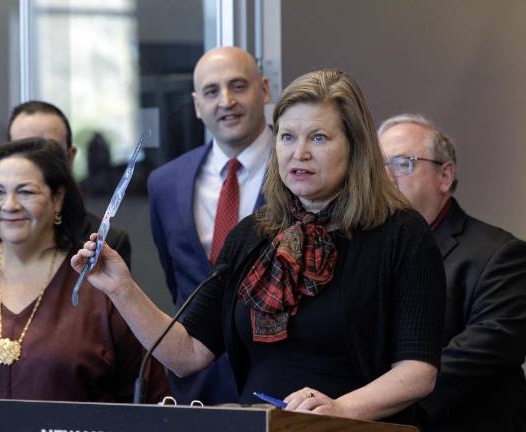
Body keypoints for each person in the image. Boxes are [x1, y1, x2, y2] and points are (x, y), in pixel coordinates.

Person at [73, 68, 446, 425]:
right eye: (287, 137)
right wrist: (121, 287)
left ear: (355, 147)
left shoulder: (401, 233)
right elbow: (186, 354)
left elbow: (418, 371)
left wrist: (340, 410)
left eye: (318, 138)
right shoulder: (254, 234)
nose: (298, 153)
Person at [0, 138, 167, 432]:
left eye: (26, 192)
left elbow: (148, 394)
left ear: (58, 199)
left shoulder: (94, 282)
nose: (9, 205)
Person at [379, 114, 526, 431]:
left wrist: (381, 397)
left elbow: (482, 354)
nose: (386, 177)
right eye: (379, 167)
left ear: (445, 176)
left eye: (403, 163)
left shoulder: (500, 255)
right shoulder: (367, 252)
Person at [147, 46, 272, 404]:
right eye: (212, 91)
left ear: (264, 90)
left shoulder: (300, 170)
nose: (226, 101)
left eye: (238, 86)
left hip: (276, 384)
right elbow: (178, 282)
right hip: (196, 387)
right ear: (197, 104)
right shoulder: (164, 183)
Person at [0, 101, 131, 282]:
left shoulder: (102, 242)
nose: (35, 162)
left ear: (70, 157)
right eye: (23, 150)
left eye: (50, 151)